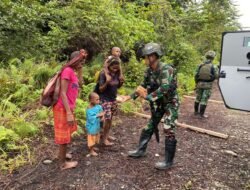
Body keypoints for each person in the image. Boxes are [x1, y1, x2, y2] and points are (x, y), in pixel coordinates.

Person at [122, 42, 179, 170]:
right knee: (149, 126)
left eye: (145, 57)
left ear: (153, 56)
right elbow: (143, 86)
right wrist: (130, 96)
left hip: (170, 102)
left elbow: (164, 88)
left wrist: (147, 97)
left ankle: (168, 162)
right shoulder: (149, 71)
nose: (144, 59)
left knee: (168, 128)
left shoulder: (166, 69)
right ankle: (140, 150)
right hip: (158, 103)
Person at [53, 49, 88, 170]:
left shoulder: (72, 71)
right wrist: (68, 112)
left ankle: (62, 155)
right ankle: (62, 164)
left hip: (67, 107)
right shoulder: (67, 71)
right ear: (74, 60)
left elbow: (81, 83)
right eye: (80, 61)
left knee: (66, 132)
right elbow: (62, 92)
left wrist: (80, 70)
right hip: (63, 108)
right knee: (63, 135)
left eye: (83, 62)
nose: (82, 64)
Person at [98, 57, 124, 146]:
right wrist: (107, 82)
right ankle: (104, 139)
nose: (115, 69)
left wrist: (121, 81)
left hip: (113, 99)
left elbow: (117, 86)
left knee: (110, 119)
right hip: (105, 99)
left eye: (117, 67)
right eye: (113, 67)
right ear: (109, 66)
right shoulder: (103, 74)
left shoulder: (117, 73)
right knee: (107, 120)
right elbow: (100, 89)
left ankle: (106, 135)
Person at [194, 50, 218, 118]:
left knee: (198, 98)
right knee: (204, 100)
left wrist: (196, 83)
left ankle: (196, 112)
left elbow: (196, 75)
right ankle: (201, 115)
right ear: (213, 58)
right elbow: (216, 76)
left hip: (199, 84)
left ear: (206, 56)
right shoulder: (214, 66)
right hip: (208, 85)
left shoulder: (200, 65)